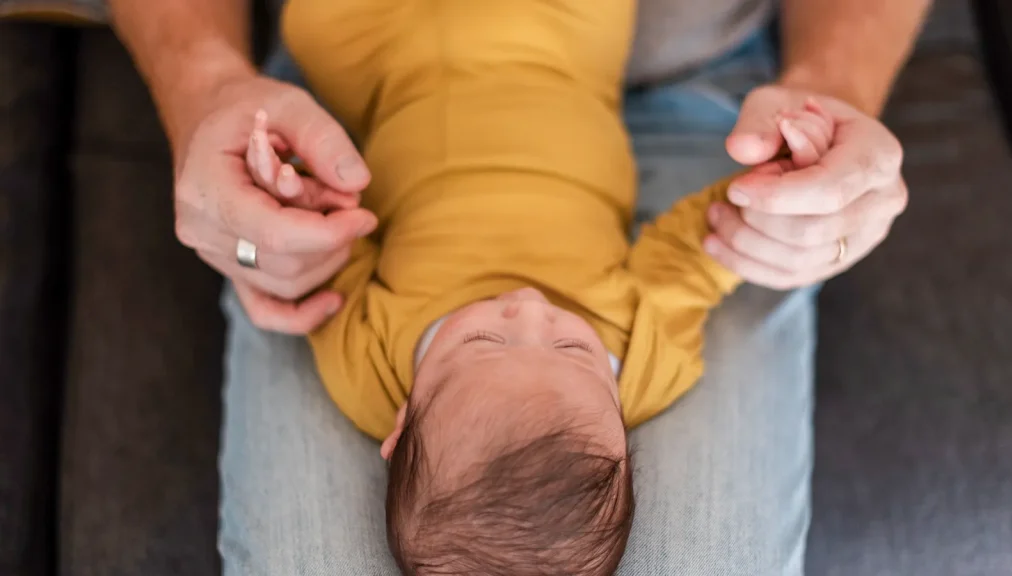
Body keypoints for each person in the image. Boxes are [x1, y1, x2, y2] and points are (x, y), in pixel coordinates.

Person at [109, 0, 928, 573]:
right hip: (565, 56)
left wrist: (291, 195)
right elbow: (691, 258)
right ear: (625, 413)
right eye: (576, 347)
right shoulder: (645, 354)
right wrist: (770, 193)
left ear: (399, 426)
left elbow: (334, 261)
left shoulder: (364, 370)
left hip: (373, 77)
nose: (529, 309)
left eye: (483, 339)